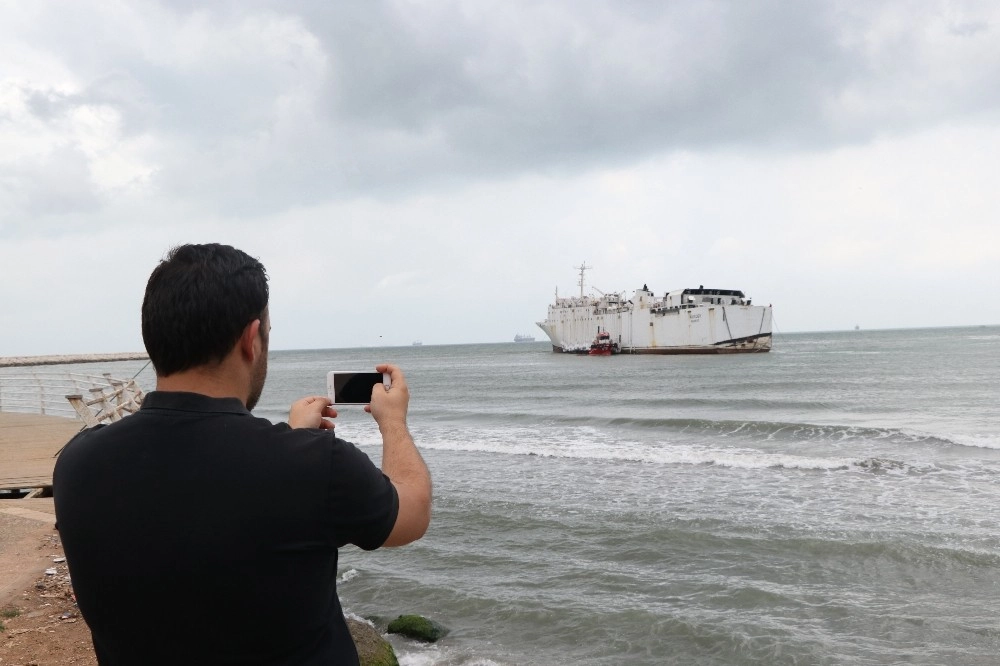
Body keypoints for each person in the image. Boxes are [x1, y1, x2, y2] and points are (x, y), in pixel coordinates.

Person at [53, 243, 432, 665]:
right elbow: (411, 514)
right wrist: (392, 421)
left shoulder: (77, 463)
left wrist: (292, 440)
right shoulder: (315, 467)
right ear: (251, 339)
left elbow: (196, 507)